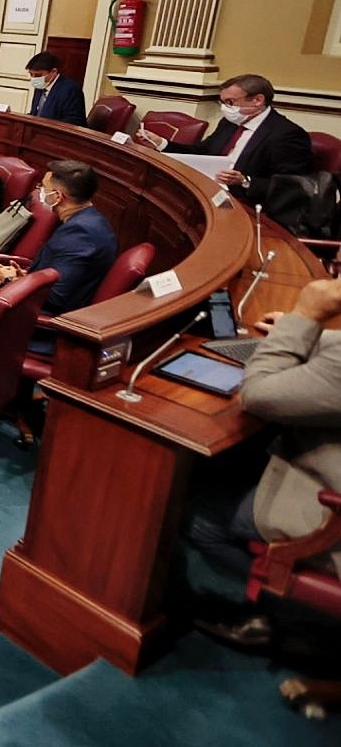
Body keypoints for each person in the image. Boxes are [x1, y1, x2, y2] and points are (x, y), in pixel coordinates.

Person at [185, 277, 341, 649]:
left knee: (193, 513)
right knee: (228, 459)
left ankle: (279, 617)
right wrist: (297, 328)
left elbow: (257, 396)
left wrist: (306, 314)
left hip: (327, 506)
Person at [0, 160, 116, 315]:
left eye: (43, 188)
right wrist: (22, 276)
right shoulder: (89, 220)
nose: (40, 192)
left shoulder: (81, 235)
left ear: (58, 196)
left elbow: (56, 298)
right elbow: (61, 274)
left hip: (37, 313)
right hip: (30, 289)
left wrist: (12, 281)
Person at [137, 74, 314, 206]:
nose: (225, 108)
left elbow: (295, 186)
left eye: (230, 102)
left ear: (258, 100)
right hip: (210, 190)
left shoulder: (286, 134)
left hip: (247, 203)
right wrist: (161, 143)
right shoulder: (230, 123)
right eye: (222, 102)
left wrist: (246, 181)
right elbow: (203, 153)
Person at [25, 51, 87, 127]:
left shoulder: (70, 89)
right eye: (31, 74)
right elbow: (35, 114)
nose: (34, 78)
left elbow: (74, 121)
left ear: (53, 71)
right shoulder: (40, 87)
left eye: (38, 75)